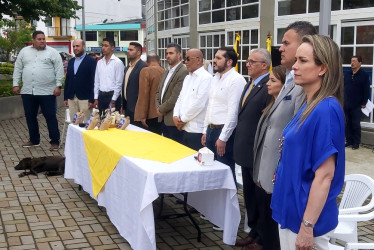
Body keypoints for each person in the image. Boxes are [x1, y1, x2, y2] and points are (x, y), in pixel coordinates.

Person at [235, 20, 317, 249]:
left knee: (276, 236)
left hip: (281, 174)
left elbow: (296, 132)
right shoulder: (291, 79)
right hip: (269, 169)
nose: (280, 48)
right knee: (269, 229)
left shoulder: (304, 85)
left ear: (304, 45)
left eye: (286, 43)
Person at [271, 34, 345, 250]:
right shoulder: (308, 104)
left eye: (303, 61)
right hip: (291, 207)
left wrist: (307, 226)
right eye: (296, 60)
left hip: (304, 216)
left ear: (322, 68)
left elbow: (325, 176)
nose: (295, 66)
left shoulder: (326, 109)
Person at [233, 48, 272, 250]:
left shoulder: (268, 86)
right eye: (247, 61)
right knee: (249, 195)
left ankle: (262, 238)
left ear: (264, 65)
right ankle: (253, 231)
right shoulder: (249, 84)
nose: (247, 64)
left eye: (251, 61)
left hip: (257, 153)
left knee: (259, 198)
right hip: (245, 150)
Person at [247, 65, 287, 250]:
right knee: (261, 207)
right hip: (261, 166)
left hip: (272, 169)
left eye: (273, 80)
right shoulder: (271, 103)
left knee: (270, 213)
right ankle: (260, 237)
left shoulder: (285, 107)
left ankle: (265, 242)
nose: (268, 84)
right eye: (268, 79)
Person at [12, 30, 64, 151]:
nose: (42, 41)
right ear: (33, 40)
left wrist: (58, 85)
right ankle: (34, 140)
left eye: (43, 39)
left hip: (47, 92)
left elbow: (59, 69)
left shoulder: (52, 52)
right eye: (39, 39)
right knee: (30, 116)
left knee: (50, 116)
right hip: (28, 91)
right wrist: (15, 84)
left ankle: (55, 141)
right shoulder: (24, 52)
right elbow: (18, 68)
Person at [202, 47, 246, 182]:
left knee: (225, 171)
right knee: (210, 169)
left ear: (229, 62)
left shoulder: (236, 80)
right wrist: (205, 130)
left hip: (224, 132)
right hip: (210, 129)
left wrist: (223, 138)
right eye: (215, 57)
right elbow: (210, 106)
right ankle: (213, 201)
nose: (214, 61)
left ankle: (230, 202)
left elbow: (233, 112)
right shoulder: (215, 78)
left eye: (218, 58)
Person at [173, 49, 212, 150]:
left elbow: (199, 104)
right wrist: (175, 115)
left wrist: (182, 120)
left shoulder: (206, 78)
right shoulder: (187, 78)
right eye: (185, 59)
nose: (185, 62)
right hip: (183, 128)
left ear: (199, 60)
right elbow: (180, 98)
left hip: (196, 131)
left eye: (188, 59)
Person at [155, 43, 188, 143]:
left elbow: (175, 97)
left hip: (173, 121)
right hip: (163, 119)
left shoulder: (183, 71)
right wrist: (158, 108)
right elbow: (158, 92)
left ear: (179, 55)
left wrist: (160, 109)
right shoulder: (166, 71)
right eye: (166, 53)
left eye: (171, 53)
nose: (167, 56)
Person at [64, 39, 97, 122]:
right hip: (72, 98)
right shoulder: (71, 62)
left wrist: (92, 99)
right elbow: (68, 79)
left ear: (83, 47)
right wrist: (65, 97)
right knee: (74, 123)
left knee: (86, 123)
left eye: (77, 46)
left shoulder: (91, 61)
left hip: (85, 99)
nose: (75, 48)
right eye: (74, 46)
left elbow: (94, 81)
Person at [344, 55, 370, 150]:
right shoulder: (347, 74)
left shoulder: (364, 75)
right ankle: (349, 140)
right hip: (346, 103)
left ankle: (356, 143)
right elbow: (343, 88)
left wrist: (364, 102)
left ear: (360, 63)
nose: (352, 63)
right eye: (351, 61)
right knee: (347, 123)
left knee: (355, 124)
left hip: (357, 105)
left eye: (354, 61)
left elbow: (366, 90)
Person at [93, 38, 125, 117]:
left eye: (106, 46)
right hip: (101, 96)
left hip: (112, 96)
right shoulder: (99, 62)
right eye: (102, 45)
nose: (103, 48)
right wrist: (96, 97)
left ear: (112, 47)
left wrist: (113, 100)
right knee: (101, 120)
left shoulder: (118, 62)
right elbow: (97, 81)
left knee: (112, 121)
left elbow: (119, 83)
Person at [134, 53, 164, 134]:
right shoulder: (164, 71)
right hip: (162, 112)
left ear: (147, 63)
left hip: (150, 113)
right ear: (159, 61)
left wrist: (142, 115)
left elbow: (144, 94)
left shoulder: (145, 71)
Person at [122, 42, 147, 123]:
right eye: (128, 49)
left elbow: (144, 90)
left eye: (131, 50)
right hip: (127, 107)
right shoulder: (127, 67)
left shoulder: (143, 67)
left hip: (137, 109)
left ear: (138, 52)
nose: (128, 51)